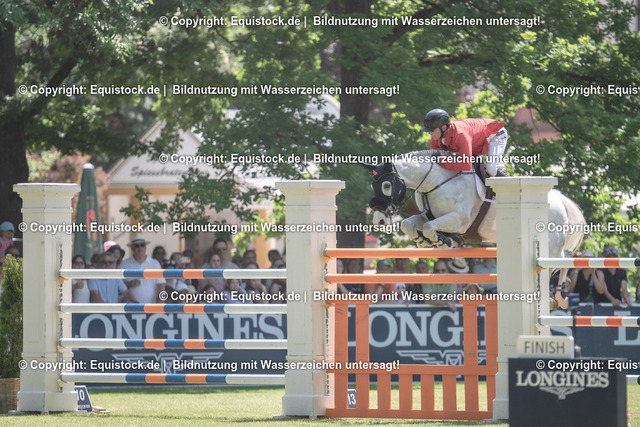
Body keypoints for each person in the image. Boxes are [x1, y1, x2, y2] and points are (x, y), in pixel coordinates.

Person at [422, 108, 508, 177]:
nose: (429, 133)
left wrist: (441, 160)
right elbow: (435, 158)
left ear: (443, 128)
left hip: (495, 134)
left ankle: (507, 181)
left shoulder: (460, 135)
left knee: (491, 169)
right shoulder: (436, 135)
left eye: (432, 130)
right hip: (477, 138)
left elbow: (466, 165)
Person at [120, 234, 166, 303]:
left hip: (151, 306)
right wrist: (129, 284)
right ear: (132, 248)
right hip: (129, 306)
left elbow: (161, 287)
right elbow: (117, 285)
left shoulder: (155, 264)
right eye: (136, 246)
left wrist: (159, 305)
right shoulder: (124, 264)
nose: (140, 248)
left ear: (145, 247)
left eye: (142, 245)